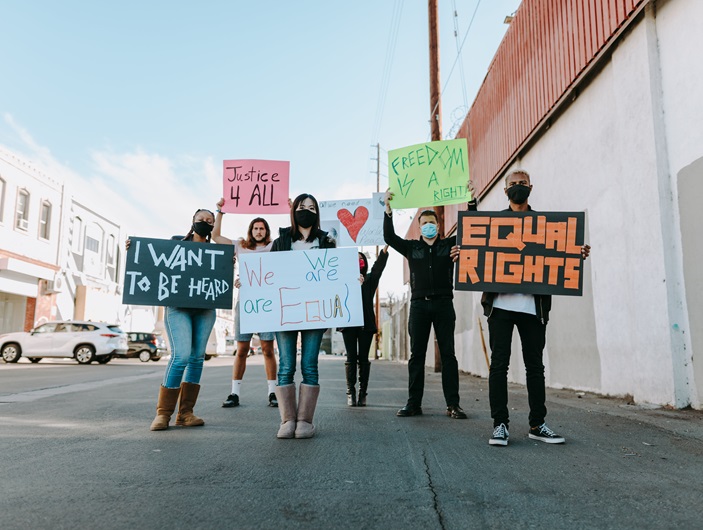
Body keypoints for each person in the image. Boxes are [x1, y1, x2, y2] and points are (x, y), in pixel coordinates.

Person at [460, 169, 590, 446]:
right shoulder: (495, 225)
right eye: (513, 184)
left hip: (533, 307)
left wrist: (574, 254)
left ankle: (537, 424)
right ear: (505, 191)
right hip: (501, 307)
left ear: (531, 187)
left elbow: (560, 252)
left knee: (535, 367)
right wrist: (464, 252)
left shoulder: (545, 225)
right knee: (499, 366)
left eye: (522, 183)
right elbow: (474, 240)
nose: (518, 187)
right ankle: (500, 425)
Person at [383, 189, 475, 419]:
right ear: (419, 226)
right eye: (424, 223)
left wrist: (471, 203)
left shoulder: (449, 246)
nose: (428, 226)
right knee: (416, 356)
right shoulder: (412, 248)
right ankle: (414, 403)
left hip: (444, 305)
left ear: (438, 225)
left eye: (431, 222)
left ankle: (453, 404)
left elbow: (472, 230)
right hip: (419, 307)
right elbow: (389, 238)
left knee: (448, 356)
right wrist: (387, 210)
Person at [135, 208, 221, 431]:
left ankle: (185, 413)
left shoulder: (216, 252)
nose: (205, 222)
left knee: (197, 358)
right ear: (192, 222)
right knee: (181, 356)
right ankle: (163, 414)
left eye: (209, 221)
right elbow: (154, 261)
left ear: (213, 226)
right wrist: (135, 251)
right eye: (201, 219)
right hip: (178, 307)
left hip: (204, 309)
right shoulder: (176, 243)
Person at [270, 193, 336, 439]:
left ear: (317, 213)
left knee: (309, 365)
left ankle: (305, 421)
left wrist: (354, 277)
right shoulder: (281, 241)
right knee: (286, 365)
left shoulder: (326, 241)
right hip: (285, 310)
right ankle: (287, 420)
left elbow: (336, 272)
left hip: (316, 312)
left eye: (311, 207)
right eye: (301, 206)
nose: (306, 211)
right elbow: (268, 274)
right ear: (294, 211)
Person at [211, 199, 278, 409]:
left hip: (267, 304)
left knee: (268, 349)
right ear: (251, 230)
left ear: (266, 231)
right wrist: (220, 211)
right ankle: (234, 393)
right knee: (242, 349)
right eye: (255, 228)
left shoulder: (274, 247)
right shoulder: (240, 246)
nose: (258, 231)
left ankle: (273, 393)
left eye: (262, 228)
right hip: (246, 303)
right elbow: (215, 237)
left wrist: (291, 206)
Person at [341, 246, 389, 407]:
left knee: (363, 358)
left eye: (361, 259)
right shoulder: (342, 279)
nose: (358, 261)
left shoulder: (370, 280)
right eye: (355, 259)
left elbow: (378, 268)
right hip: (348, 323)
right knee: (351, 357)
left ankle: (362, 392)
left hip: (365, 324)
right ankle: (350, 392)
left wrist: (383, 252)